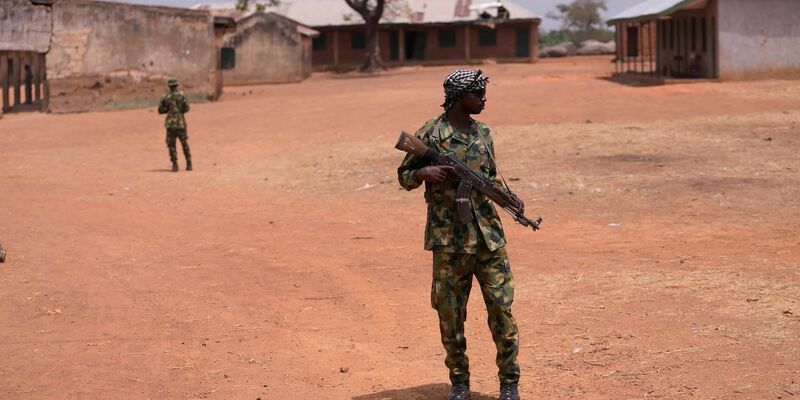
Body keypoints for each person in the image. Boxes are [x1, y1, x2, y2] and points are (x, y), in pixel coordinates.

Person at [397, 69, 522, 400]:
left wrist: (510, 199)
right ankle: (459, 382)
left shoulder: (483, 133)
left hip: (489, 238)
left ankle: (509, 383)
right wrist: (424, 171)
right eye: (477, 94)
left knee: (501, 308)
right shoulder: (432, 133)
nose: (483, 99)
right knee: (451, 313)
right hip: (449, 240)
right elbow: (404, 175)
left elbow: (490, 177)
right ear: (458, 97)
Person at [158, 78, 192, 172]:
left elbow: (160, 110)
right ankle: (189, 163)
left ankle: (175, 165)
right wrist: (179, 111)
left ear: (169, 86)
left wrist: (169, 110)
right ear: (176, 85)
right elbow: (187, 108)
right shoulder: (182, 95)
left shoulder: (165, 97)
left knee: (171, 145)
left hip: (170, 124)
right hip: (180, 123)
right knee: (184, 143)